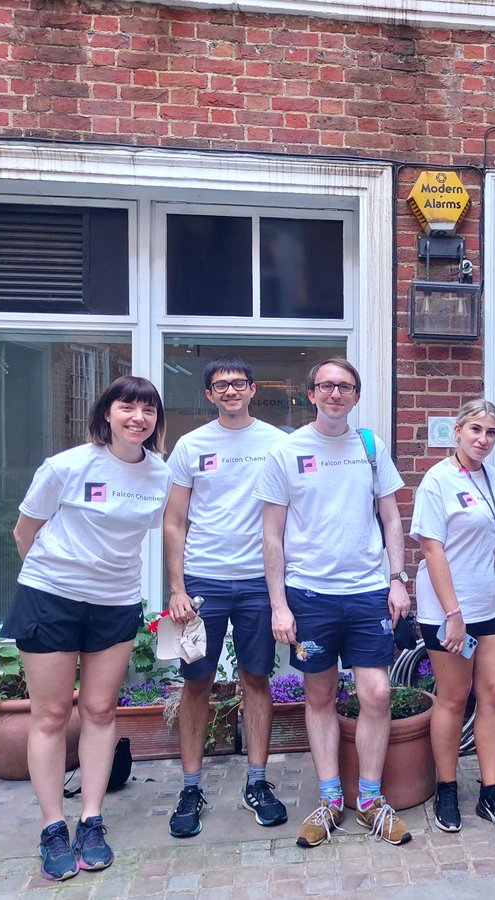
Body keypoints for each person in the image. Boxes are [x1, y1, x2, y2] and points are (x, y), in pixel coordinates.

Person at [2, 376, 172, 882]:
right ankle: (53, 826)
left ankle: (91, 819)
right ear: (107, 413)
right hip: (50, 598)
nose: (138, 417)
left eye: (147, 409)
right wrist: (56, 579)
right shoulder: (68, 466)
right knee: (52, 714)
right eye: (128, 407)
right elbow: (24, 531)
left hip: (115, 603)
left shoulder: (159, 475)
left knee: (100, 709)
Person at [256, 357, 413, 847]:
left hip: (367, 592)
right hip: (311, 596)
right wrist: (279, 605)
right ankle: (329, 799)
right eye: (326, 385)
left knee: (376, 695)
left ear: (356, 396)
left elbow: (390, 518)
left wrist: (397, 578)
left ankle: (369, 800)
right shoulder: (287, 452)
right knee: (320, 696)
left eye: (344, 386)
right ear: (311, 394)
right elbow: (272, 535)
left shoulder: (370, 447)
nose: (335, 394)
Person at [162, 357, 287, 838]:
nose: (230, 390)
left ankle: (257, 782)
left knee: (256, 679)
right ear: (210, 395)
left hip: (259, 582)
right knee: (197, 682)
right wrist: (177, 588)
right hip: (202, 583)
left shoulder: (278, 443)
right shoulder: (191, 446)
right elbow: (174, 521)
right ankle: (191, 786)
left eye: (238, 383)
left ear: (254, 388)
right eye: (220, 385)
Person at [411, 399, 495, 836]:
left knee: (493, 697)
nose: (483, 439)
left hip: (493, 606)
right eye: (476, 429)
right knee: (454, 699)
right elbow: (431, 549)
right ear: (457, 431)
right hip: (448, 610)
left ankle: (491, 792)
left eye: (491, 432)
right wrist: (453, 614)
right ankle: (448, 786)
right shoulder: (437, 480)